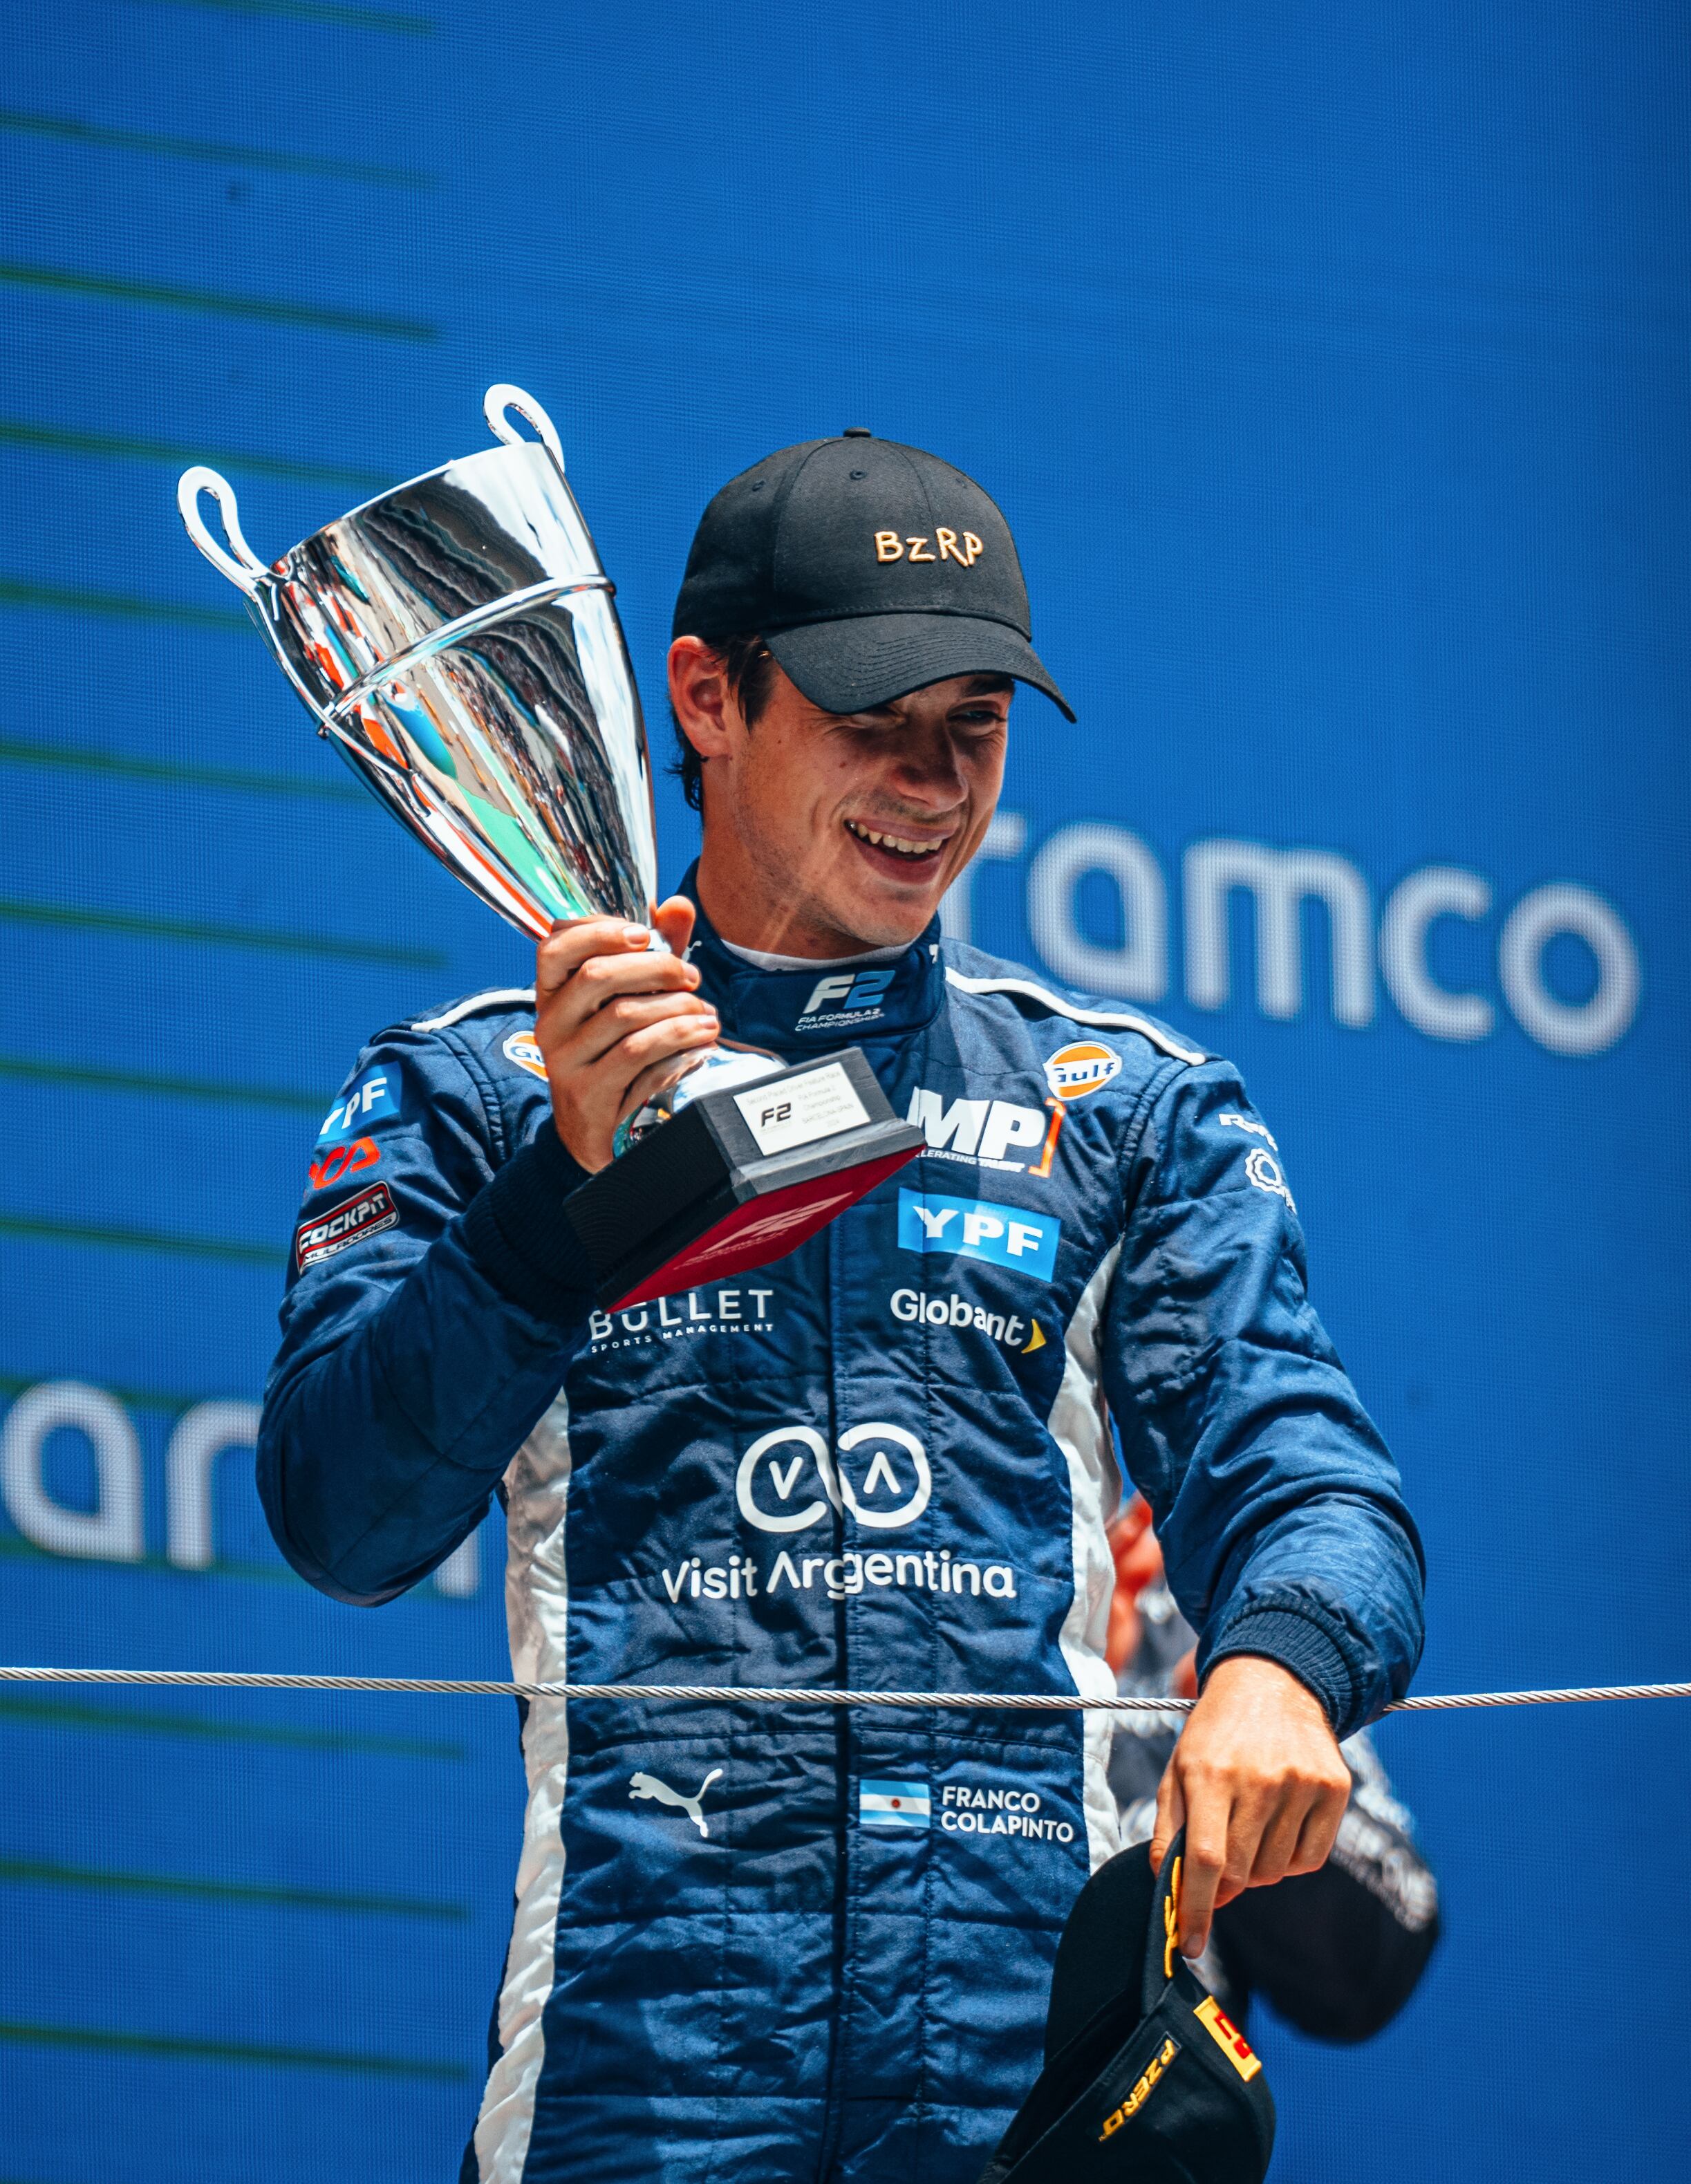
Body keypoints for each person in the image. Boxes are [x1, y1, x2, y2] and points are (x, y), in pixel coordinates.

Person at [256, 429, 1425, 2184]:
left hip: (1017, 2088)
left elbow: (1309, 1473)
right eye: (874, 715)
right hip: (636, 2086)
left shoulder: (1124, 1107)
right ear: (705, 697)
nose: (931, 781)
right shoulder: (479, 1095)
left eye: (978, 723)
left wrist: (1277, 1667)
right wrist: (563, 1191)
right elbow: (341, 1520)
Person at [1105, 1496, 1440, 2042]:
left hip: (1161, 2063)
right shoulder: (1004, 1615)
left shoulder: (1251, 1595)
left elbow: (1378, 1959)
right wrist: (1056, 1710)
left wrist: (1259, 1718)